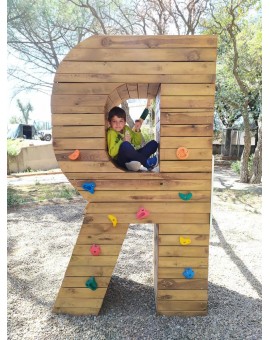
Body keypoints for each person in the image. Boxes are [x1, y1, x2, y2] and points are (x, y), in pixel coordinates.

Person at [106, 102, 158, 171]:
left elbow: (137, 142)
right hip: (121, 160)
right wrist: (122, 141)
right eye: (114, 121)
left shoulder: (126, 128)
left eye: (120, 121)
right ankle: (146, 163)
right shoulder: (111, 133)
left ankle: (134, 164)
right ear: (110, 123)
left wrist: (137, 129)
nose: (118, 124)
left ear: (124, 122)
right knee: (125, 145)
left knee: (153, 144)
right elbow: (112, 153)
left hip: (132, 156)